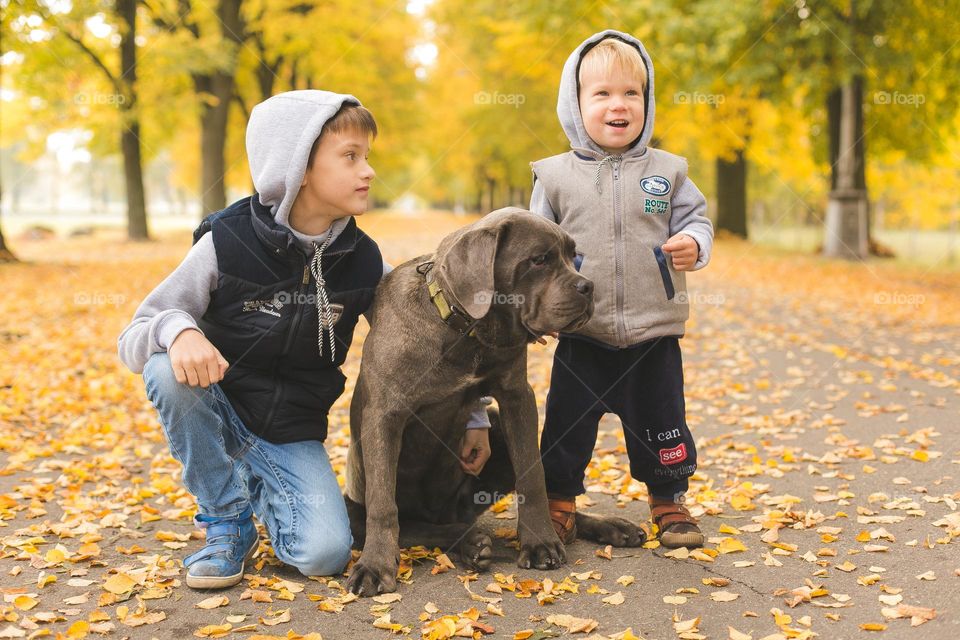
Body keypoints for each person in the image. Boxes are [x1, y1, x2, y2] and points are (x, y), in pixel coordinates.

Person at [118, 90, 492, 589]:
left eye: (368, 156)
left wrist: (473, 414)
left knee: (323, 555)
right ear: (299, 168)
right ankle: (226, 520)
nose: (369, 171)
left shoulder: (363, 261)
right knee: (167, 367)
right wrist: (180, 329)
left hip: (290, 431)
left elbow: (433, 344)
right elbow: (136, 334)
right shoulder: (225, 243)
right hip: (219, 408)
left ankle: (262, 484)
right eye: (351, 157)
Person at [529, 31, 714, 549]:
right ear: (576, 103)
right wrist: (534, 313)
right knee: (566, 424)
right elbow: (533, 253)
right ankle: (558, 503)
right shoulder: (556, 177)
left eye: (632, 93)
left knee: (662, 421)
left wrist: (691, 245)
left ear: (646, 102)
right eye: (603, 94)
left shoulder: (668, 172)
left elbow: (697, 221)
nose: (619, 104)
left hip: (653, 333)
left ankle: (669, 501)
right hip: (582, 331)